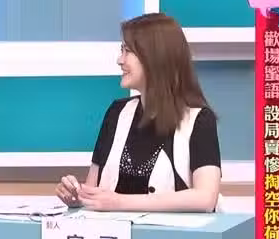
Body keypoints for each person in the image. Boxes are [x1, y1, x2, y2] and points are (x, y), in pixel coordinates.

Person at [56, 12, 222, 213]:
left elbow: (205, 198)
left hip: (170, 233)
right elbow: (93, 189)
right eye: (121, 50)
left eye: (127, 51)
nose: (120, 60)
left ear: (155, 57)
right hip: (113, 232)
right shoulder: (117, 113)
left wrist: (119, 203)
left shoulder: (199, 120)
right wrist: (78, 197)